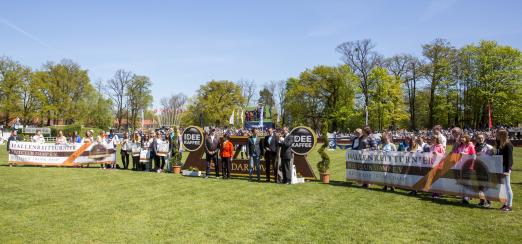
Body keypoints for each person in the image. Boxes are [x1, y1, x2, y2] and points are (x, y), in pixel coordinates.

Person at [496, 129, 514, 212]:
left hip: (506, 167)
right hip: (501, 166)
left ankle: (509, 205)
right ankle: (506, 204)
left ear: (502, 135)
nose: (496, 135)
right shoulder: (501, 144)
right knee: (504, 186)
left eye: (497, 134)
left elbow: (510, 159)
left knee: (507, 186)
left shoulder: (508, 145)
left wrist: (507, 170)